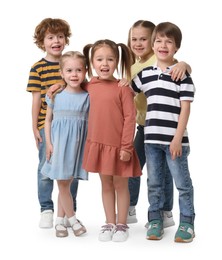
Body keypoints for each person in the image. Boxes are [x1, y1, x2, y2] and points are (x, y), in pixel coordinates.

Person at [132, 21, 195, 243]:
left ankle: (187, 222)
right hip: (150, 140)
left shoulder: (181, 75)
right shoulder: (145, 75)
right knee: (154, 183)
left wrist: (177, 139)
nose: (163, 45)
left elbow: (185, 109)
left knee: (182, 184)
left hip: (175, 141)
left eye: (169, 42)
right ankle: (155, 220)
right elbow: (126, 91)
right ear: (153, 44)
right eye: (158, 41)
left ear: (176, 47)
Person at [82, 39, 142, 242]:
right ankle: (109, 221)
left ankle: (122, 224)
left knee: (120, 185)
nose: (104, 63)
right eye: (99, 59)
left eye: (110, 59)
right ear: (92, 62)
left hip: (118, 146)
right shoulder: (89, 85)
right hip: (98, 145)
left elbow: (130, 118)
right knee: (105, 184)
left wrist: (126, 146)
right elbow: (70, 82)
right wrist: (56, 85)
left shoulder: (122, 88)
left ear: (117, 61)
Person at [26, 18, 79, 229]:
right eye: (50, 37)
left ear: (66, 39)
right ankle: (46, 208)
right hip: (46, 125)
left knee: (70, 170)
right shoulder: (38, 68)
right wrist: (34, 128)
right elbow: (36, 100)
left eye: (60, 36)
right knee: (46, 168)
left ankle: (68, 211)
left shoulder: (71, 64)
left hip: (71, 126)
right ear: (42, 42)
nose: (56, 41)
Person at [41, 51, 89, 237]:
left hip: (77, 147)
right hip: (59, 145)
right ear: (62, 73)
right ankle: (73, 220)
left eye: (78, 70)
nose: (74, 74)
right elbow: (47, 121)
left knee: (66, 183)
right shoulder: (55, 95)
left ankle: (60, 222)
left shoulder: (87, 96)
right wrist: (49, 144)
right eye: (69, 70)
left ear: (85, 72)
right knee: (62, 183)